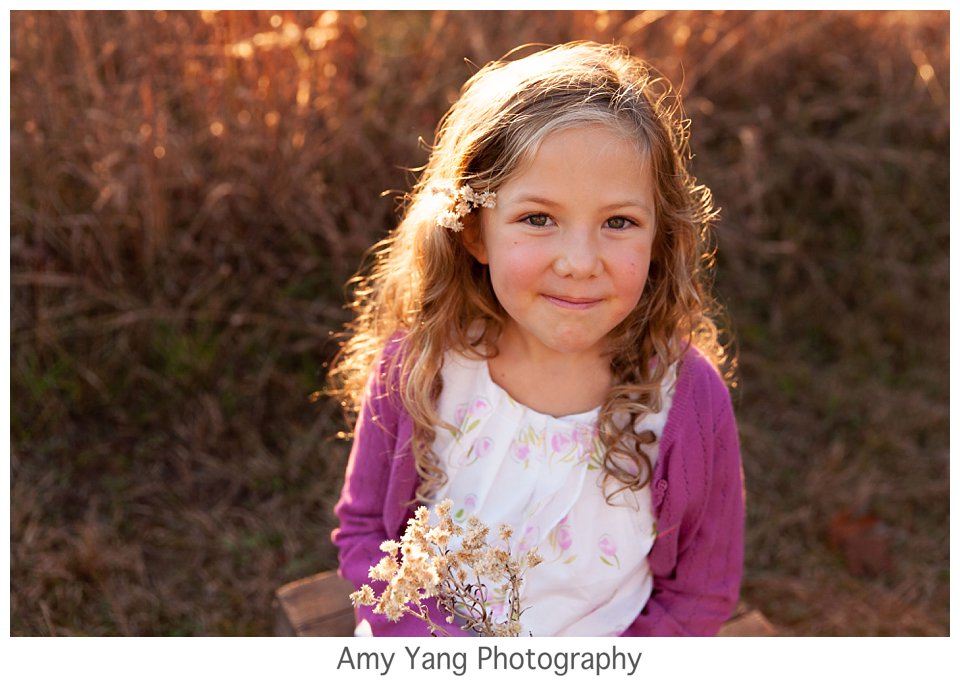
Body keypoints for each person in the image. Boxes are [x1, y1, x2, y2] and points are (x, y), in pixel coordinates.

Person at [329, 41, 744, 637]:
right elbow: (366, 533)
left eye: (618, 223)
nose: (579, 262)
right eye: (538, 219)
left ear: (659, 236)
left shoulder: (684, 400)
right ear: (475, 232)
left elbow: (701, 593)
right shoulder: (422, 365)